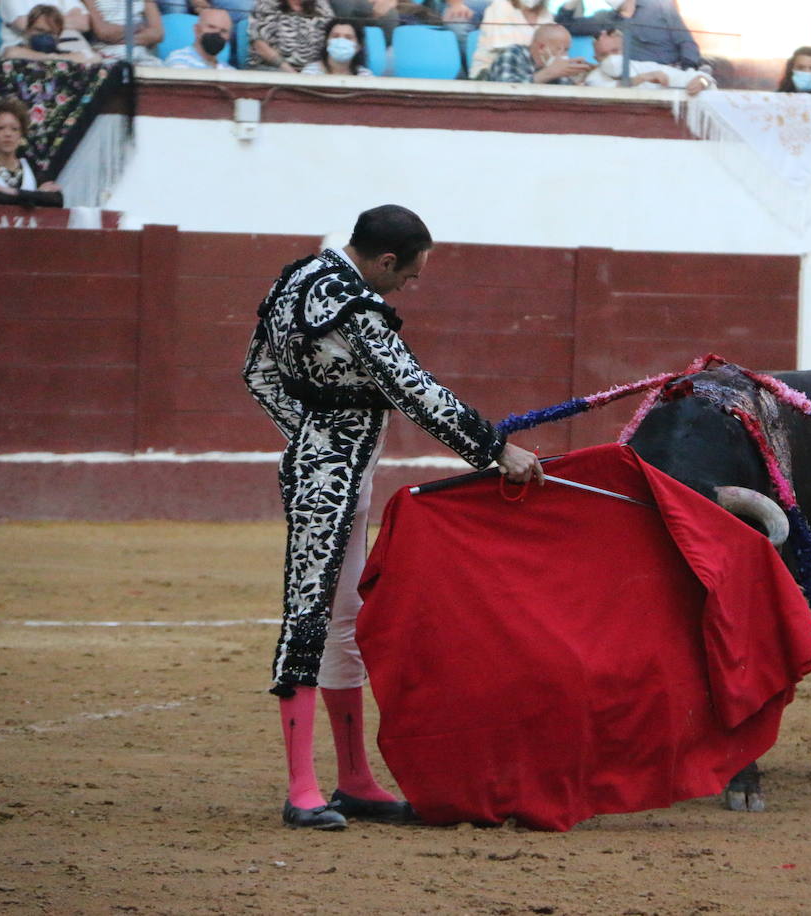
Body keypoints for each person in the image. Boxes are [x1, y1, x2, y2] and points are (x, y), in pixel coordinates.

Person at [243, 204, 543, 830]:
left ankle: (353, 781)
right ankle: (303, 788)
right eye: (410, 274)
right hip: (328, 483)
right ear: (384, 261)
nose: (412, 285)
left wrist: (306, 436)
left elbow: (258, 372)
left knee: (345, 619)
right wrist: (495, 451)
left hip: (331, 474)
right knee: (310, 618)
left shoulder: (295, 280)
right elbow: (412, 389)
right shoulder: (355, 307)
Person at [0, 98, 65, 207]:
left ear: (21, 135)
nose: (8, 134)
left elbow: (56, 200)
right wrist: (37, 195)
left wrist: (7, 190)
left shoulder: (30, 165)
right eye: (0, 128)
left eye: (14, 129)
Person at [555, 0, 700, 71]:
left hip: (672, 76)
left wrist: (687, 73)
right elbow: (565, 24)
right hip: (635, 84)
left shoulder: (660, 6)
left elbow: (686, 43)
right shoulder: (604, 19)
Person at [583, 25, 711, 93]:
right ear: (596, 58)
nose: (611, 58)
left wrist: (702, 81)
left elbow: (696, 78)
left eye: (615, 51)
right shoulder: (593, 78)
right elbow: (606, 90)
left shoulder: (647, 67)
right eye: (604, 54)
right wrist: (642, 79)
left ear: (626, 51)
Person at [481, 22, 589, 83]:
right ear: (542, 47)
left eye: (567, 50)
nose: (565, 56)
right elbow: (506, 90)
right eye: (562, 50)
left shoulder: (557, 69)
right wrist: (549, 73)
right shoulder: (513, 53)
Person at [468, 0, 552, 78]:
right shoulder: (500, 5)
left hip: (532, 73)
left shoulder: (546, 14)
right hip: (492, 73)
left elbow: (552, 50)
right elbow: (508, 49)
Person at [248, 0, 332, 72]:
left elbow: (330, 39)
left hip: (312, 70)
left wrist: (313, 70)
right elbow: (258, 43)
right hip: (272, 67)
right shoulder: (267, 4)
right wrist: (288, 70)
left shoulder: (321, 5)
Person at [1, 3, 98, 61]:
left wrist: (55, 58)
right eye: (39, 30)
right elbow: (10, 53)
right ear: (28, 29)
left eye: (50, 32)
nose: (44, 35)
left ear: (58, 35)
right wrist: (51, 59)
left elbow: (94, 58)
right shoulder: (15, 50)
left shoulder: (61, 54)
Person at [83, 0, 163, 62]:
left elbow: (157, 34)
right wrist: (138, 27)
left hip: (143, 57)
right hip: (108, 58)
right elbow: (104, 32)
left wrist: (120, 35)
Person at [164, 6, 234, 67]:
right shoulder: (178, 61)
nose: (217, 33)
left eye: (223, 31)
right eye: (211, 27)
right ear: (197, 29)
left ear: (228, 37)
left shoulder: (229, 71)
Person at [300, 16, 371, 75]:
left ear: (358, 46)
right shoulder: (310, 73)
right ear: (326, 42)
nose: (341, 41)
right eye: (335, 36)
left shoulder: (365, 76)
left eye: (348, 37)